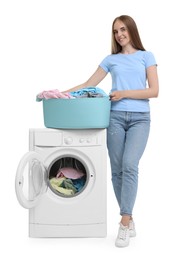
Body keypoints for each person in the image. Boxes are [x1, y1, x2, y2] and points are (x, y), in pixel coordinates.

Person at [64, 15, 159, 247]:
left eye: (123, 29)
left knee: (129, 165)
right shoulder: (110, 59)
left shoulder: (147, 57)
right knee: (117, 171)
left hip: (140, 119)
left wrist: (124, 93)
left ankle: (124, 223)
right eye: (116, 31)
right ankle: (130, 216)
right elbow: (89, 84)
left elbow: (154, 91)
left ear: (132, 30)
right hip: (114, 118)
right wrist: (61, 93)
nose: (119, 34)